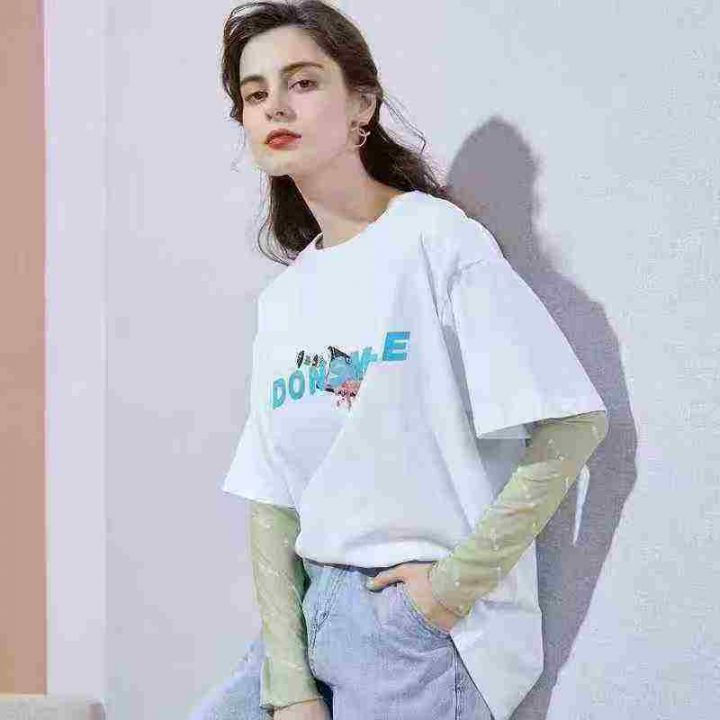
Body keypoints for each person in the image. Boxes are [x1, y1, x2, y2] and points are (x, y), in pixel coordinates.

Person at [188, 2, 609, 719]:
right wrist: (288, 682)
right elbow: (272, 502)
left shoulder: (436, 242)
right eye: (255, 95)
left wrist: (449, 591)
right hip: (310, 618)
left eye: (302, 82)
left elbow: (573, 424)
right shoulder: (285, 298)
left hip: (414, 634)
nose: (276, 107)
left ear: (362, 103)